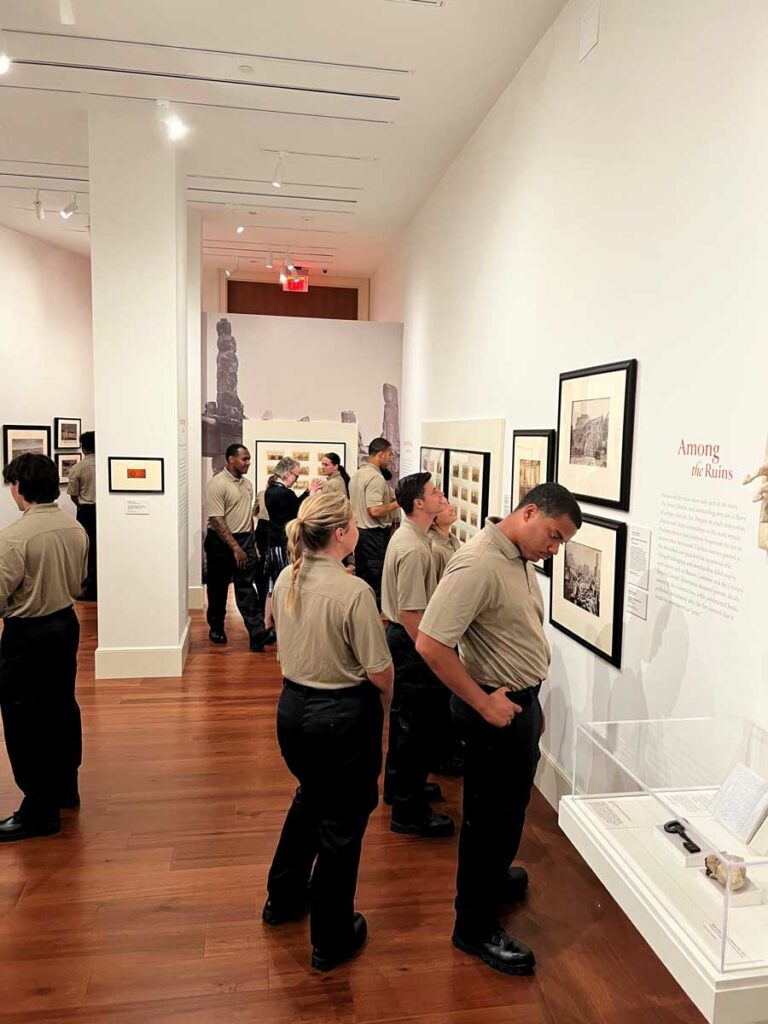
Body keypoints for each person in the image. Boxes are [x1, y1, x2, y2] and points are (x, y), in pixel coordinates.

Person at [417, 483, 582, 975]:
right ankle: (473, 926)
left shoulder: (515, 556)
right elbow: (430, 644)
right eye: (552, 536)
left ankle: (491, 880)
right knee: (487, 820)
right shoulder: (479, 563)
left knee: (508, 812)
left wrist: (530, 701)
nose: (553, 550)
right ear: (528, 512)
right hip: (492, 708)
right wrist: (484, 704)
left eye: (560, 543)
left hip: (514, 705)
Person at [263, 490, 393, 972]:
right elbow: (379, 670)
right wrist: (382, 708)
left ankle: (283, 897)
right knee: (342, 826)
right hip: (339, 717)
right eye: (354, 524)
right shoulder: (353, 592)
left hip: (292, 711)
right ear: (341, 534)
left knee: (311, 799)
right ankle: (331, 937)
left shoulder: (285, 575)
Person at [0, 453, 88, 841]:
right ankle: (65, 788)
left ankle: (39, 809)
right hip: (64, 625)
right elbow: (79, 583)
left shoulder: (15, 537)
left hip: (27, 633)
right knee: (61, 706)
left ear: (19, 487)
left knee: (24, 720)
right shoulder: (74, 529)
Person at [381, 472, 455, 838]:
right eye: (434, 491)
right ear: (419, 504)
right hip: (413, 643)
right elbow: (412, 614)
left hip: (409, 641)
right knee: (417, 729)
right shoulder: (411, 547)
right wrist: (432, 657)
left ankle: (399, 790)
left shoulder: (417, 537)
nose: (441, 494)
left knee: (408, 723)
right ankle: (408, 811)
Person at [204, 444, 273, 652]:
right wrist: (235, 548)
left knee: (246, 588)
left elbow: (246, 518)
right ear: (231, 459)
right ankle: (216, 627)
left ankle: (257, 633)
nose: (248, 463)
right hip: (221, 543)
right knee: (218, 589)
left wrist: (251, 544)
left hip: (244, 541)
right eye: (244, 459)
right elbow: (216, 519)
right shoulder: (217, 484)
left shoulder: (248, 484)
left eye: (249, 459)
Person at [264, 458, 322, 629]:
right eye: (295, 476)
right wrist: (310, 495)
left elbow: (292, 506)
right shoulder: (284, 493)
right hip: (283, 544)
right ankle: (285, 623)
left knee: (272, 584)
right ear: (287, 474)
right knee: (286, 583)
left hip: (273, 543)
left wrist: (306, 493)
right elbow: (297, 512)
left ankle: (267, 623)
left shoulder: (270, 491)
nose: (296, 480)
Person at [349, 438, 399, 608]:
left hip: (360, 535)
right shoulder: (375, 478)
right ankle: (373, 625)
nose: (391, 459)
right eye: (390, 455)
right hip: (373, 538)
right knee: (376, 585)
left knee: (364, 580)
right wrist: (397, 503)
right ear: (381, 454)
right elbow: (375, 510)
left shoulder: (358, 474)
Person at [67, 429, 97, 600]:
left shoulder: (78, 468)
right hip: (104, 512)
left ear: (83, 448)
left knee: (88, 549)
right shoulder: (106, 465)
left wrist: (82, 506)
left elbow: (73, 494)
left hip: (86, 512)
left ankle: (90, 587)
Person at [429, 502, 460, 582]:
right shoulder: (434, 548)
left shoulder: (453, 540)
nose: (451, 508)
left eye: (448, 503)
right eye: (444, 507)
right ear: (432, 518)